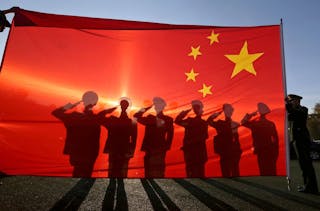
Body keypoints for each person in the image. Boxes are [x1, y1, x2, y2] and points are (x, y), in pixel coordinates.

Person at [52, 91, 114, 177]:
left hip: (78, 152)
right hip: (89, 153)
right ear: (95, 103)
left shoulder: (75, 117)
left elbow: (56, 113)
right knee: (85, 175)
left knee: (77, 173)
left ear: (83, 101)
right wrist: (104, 112)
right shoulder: (95, 119)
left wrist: (70, 105)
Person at [286, 94, 318, 193]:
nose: (291, 102)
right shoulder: (292, 111)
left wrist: (288, 105)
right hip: (296, 140)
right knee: (303, 164)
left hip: (302, 140)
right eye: (290, 101)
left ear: (297, 101)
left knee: (307, 163)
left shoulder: (303, 109)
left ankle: (312, 187)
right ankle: (307, 185)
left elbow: (296, 114)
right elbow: (289, 116)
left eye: (292, 101)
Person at [134, 97, 174, 178]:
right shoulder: (150, 119)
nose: (157, 107)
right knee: (149, 171)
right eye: (156, 105)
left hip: (159, 148)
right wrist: (146, 108)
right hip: (151, 148)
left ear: (162, 106)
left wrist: (167, 146)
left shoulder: (167, 119)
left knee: (158, 170)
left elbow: (170, 134)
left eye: (158, 105)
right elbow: (136, 116)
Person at [100, 98, 137, 178]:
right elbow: (134, 139)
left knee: (117, 171)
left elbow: (134, 138)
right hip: (120, 148)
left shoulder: (115, 121)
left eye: (124, 105)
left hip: (119, 149)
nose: (123, 106)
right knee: (118, 172)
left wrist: (110, 110)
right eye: (122, 105)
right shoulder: (128, 122)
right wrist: (131, 151)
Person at [241, 102, 279, 175]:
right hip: (270, 150)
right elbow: (275, 139)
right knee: (272, 170)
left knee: (263, 170)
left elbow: (243, 122)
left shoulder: (255, 124)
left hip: (261, 150)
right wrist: (276, 152)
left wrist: (250, 115)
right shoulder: (270, 124)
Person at [175, 100, 208, 177]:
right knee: (190, 171)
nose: (195, 109)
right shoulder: (190, 121)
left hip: (198, 150)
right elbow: (177, 121)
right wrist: (184, 113)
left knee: (200, 172)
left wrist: (191, 143)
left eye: (197, 107)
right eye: (194, 107)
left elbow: (205, 136)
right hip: (190, 151)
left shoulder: (202, 122)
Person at [207, 104, 242, 177]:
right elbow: (209, 121)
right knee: (226, 173)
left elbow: (236, 138)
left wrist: (239, 150)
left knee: (235, 172)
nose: (229, 112)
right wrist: (217, 114)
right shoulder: (220, 123)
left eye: (230, 110)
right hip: (224, 152)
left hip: (234, 151)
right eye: (227, 110)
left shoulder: (234, 124)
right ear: (224, 111)